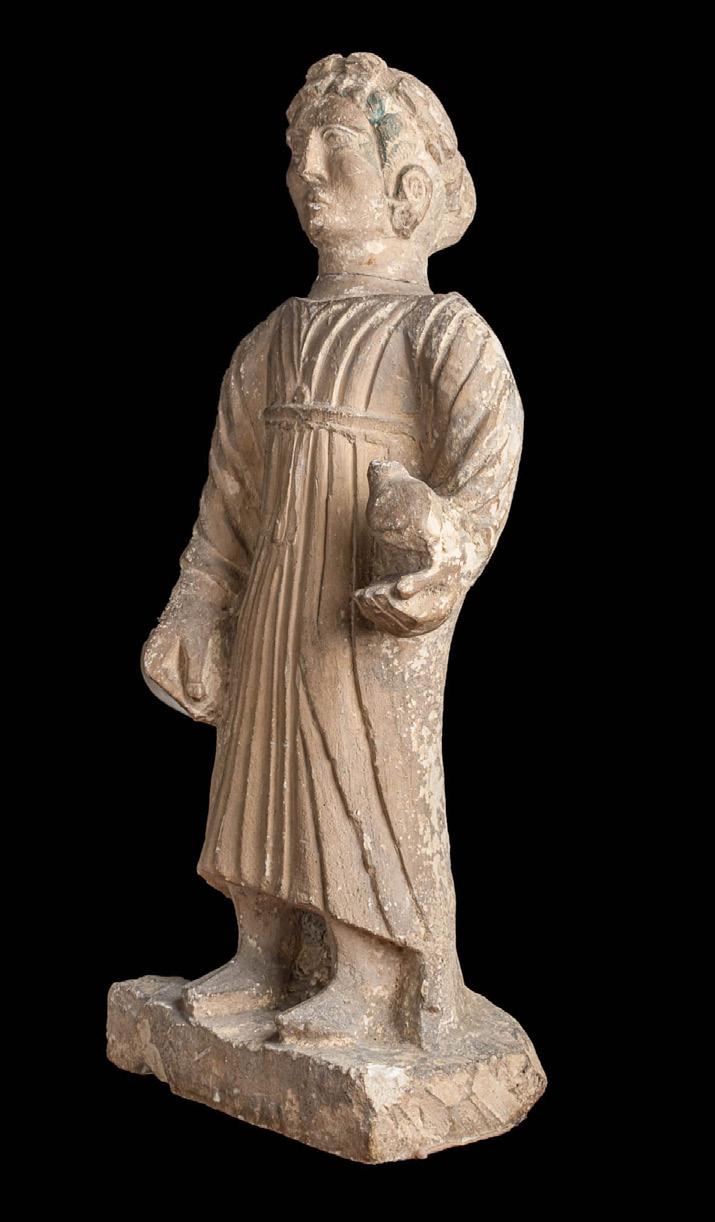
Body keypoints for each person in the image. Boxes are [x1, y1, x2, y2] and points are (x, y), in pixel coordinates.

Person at [141, 51, 524, 1051]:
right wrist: (195, 603)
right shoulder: (271, 339)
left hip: (361, 611)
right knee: (257, 765)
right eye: (296, 149)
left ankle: (368, 976)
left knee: (358, 769)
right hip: (274, 597)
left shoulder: (441, 332)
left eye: (336, 146)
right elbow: (229, 495)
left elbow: (484, 475)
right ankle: (266, 955)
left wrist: (438, 546)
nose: (306, 169)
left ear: (409, 188)